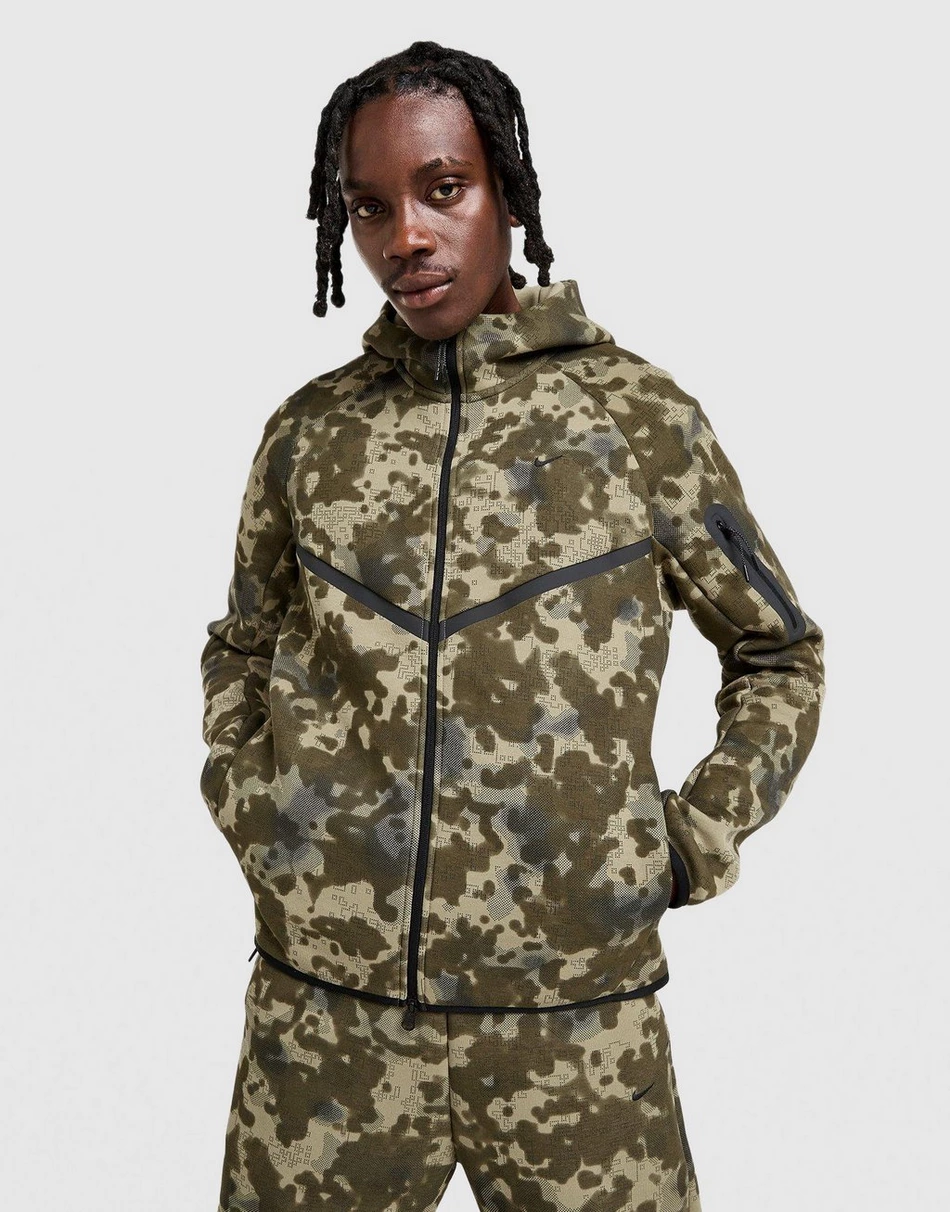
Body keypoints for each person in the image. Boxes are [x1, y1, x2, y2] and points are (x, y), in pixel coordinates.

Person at [199, 40, 825, 1212]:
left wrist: (686, 839)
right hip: (327, 1025)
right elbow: (241, 643)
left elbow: (777, 652)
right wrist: (259, 807)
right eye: (368, 207)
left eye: (443, 189)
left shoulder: (636, 419)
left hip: (574, 1025)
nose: (405, 237)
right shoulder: (310, 434)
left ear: (509, 194)